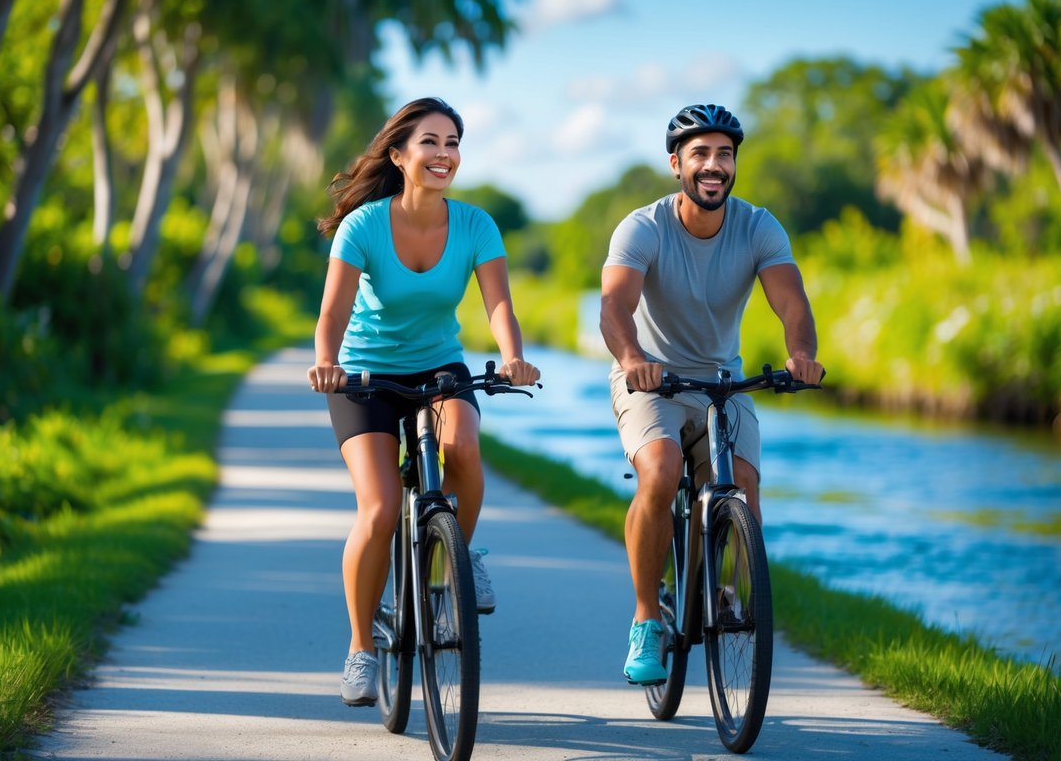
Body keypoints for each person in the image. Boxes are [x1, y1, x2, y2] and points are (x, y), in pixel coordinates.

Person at [307, 97, 541, 707]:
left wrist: (511, 353)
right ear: (399, 155)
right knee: (381, 509)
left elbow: (498, 305)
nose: (445, 154)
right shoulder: (363, 225)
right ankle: (362, 648)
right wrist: (327, 362)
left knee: (461, 447)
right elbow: (333, 310)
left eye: (453, 143)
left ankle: (456, 560)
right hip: (363, 374)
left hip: (440, 365)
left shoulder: (475, 225)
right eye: (431, 142)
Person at [599, 103, 825, 685]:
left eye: (724, 154)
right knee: (661, 469)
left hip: (723, 380)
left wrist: (801, 354)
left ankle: (723, 590)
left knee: (741, 485)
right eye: (700, 153)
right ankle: (648, 617)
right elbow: (614, 306)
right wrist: (633, 360)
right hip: (653, 378)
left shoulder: (758, 226)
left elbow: (791, 301)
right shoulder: (643, 227)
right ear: (676, 164)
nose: (713, 165)